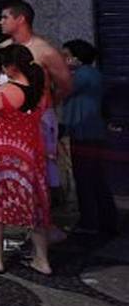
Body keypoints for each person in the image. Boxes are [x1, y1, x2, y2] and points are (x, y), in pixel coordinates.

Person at [0, 44, 52, 276]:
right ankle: (42, 260)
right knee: (35, 205)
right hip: (31, 156)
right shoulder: (40, 93)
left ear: (9, 66)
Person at [0, 1, 72, 211]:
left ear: (20, 19)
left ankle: (48, 220)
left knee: (44, 171)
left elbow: (65, 84)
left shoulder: (45, 51)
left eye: (5, 17)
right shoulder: (4, 50)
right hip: (11, 120)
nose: (0, 22)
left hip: (39, 118)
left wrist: (47, 105)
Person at [61, 39, 117, 235]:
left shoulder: (83, 75)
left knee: (85, 177)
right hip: (91, 130)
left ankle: (90, 221)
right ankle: (106, 220)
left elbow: (62, 90)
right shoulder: (92, 74)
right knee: (95, 177)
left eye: (66, 56)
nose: (64, 60)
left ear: (76, 58)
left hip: (84, 130)